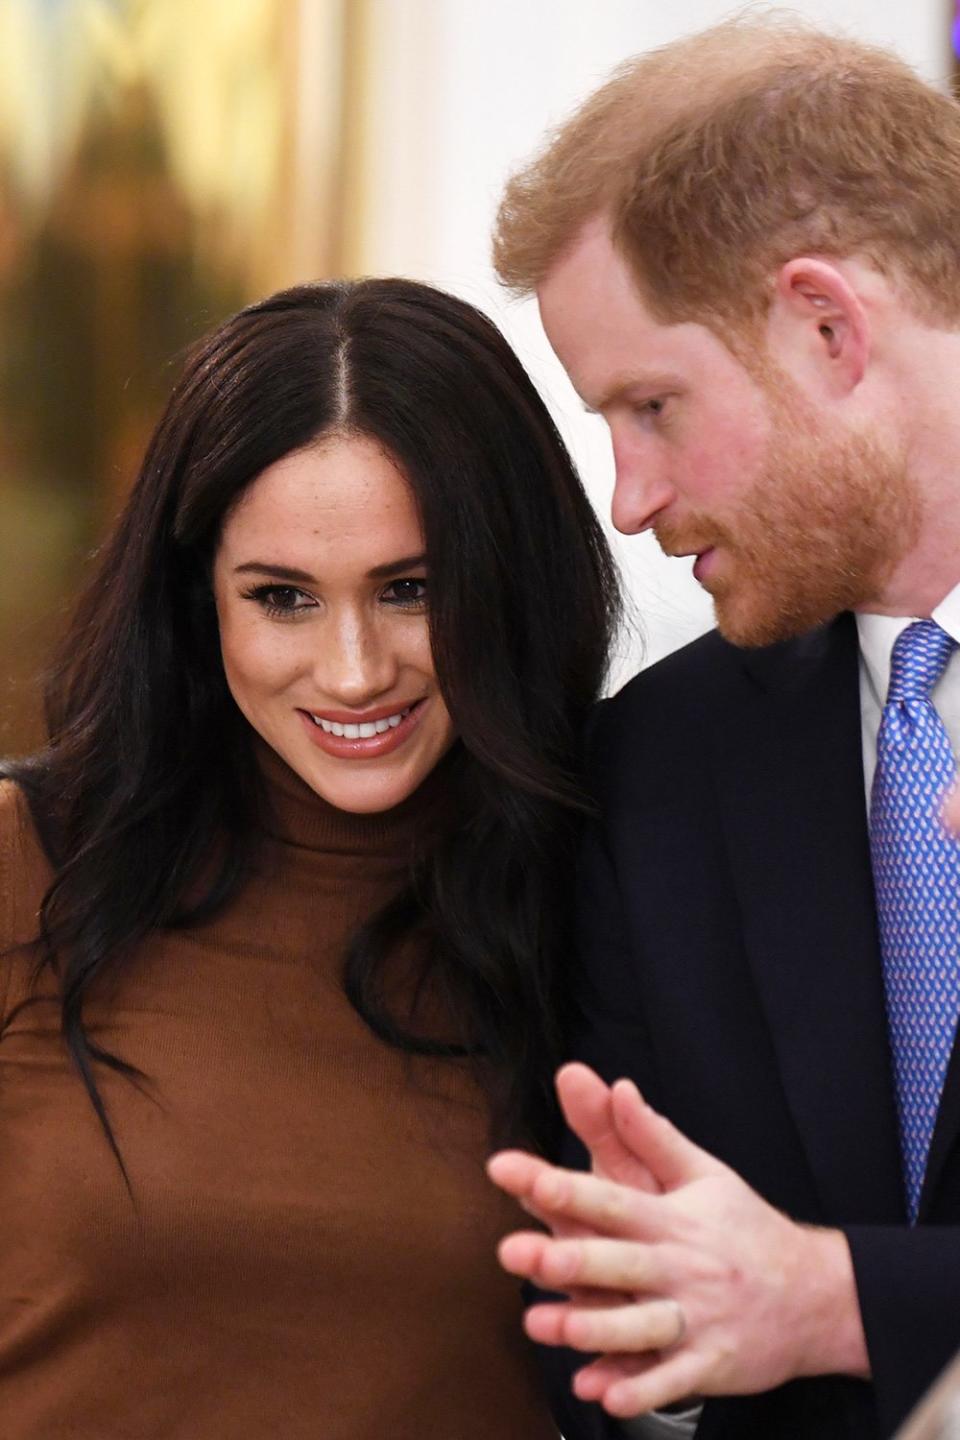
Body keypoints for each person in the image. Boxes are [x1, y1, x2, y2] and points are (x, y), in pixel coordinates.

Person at [0, 277, 621, 1438]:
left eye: (410, 590)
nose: (351, 672)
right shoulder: (25, 865)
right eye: (282, 597)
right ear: (200, 608)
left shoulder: (606, 886)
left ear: (510, 583)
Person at [482, 14, 960, 1440]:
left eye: (651, 405)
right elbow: (624, 1327)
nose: (627, 498)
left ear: (827, 327)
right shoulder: (657, 773)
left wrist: (838, 1301)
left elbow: (792, 1297)